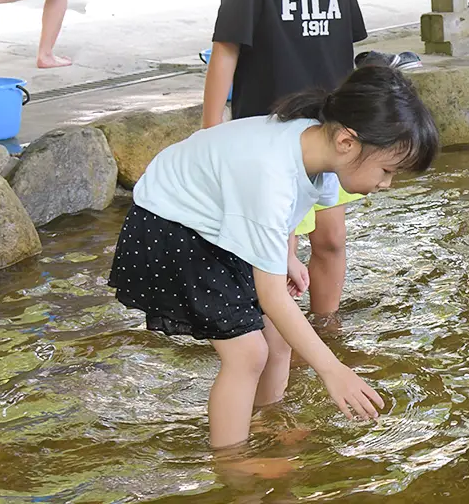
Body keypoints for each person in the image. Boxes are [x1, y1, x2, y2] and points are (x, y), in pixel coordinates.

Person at [109, 65, 440, 449]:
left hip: (216, 216)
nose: (386, 184)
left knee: (278, 340)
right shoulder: (271, 171)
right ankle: (232, 463)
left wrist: (285, 257)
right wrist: (333, 370)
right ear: (348, 142)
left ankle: (267, 420)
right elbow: (271, 291)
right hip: (172, 224)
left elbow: (285, 212)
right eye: (387, 171)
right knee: (248, 353)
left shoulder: (320, 150)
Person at [202, 0, 368, 326]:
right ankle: (281, 343)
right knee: (279, 247)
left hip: (331, 136)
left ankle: (326, 329)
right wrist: (211, 130)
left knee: (332, 239)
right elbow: (226, 49)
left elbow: (345, 56)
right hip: (272, 141)